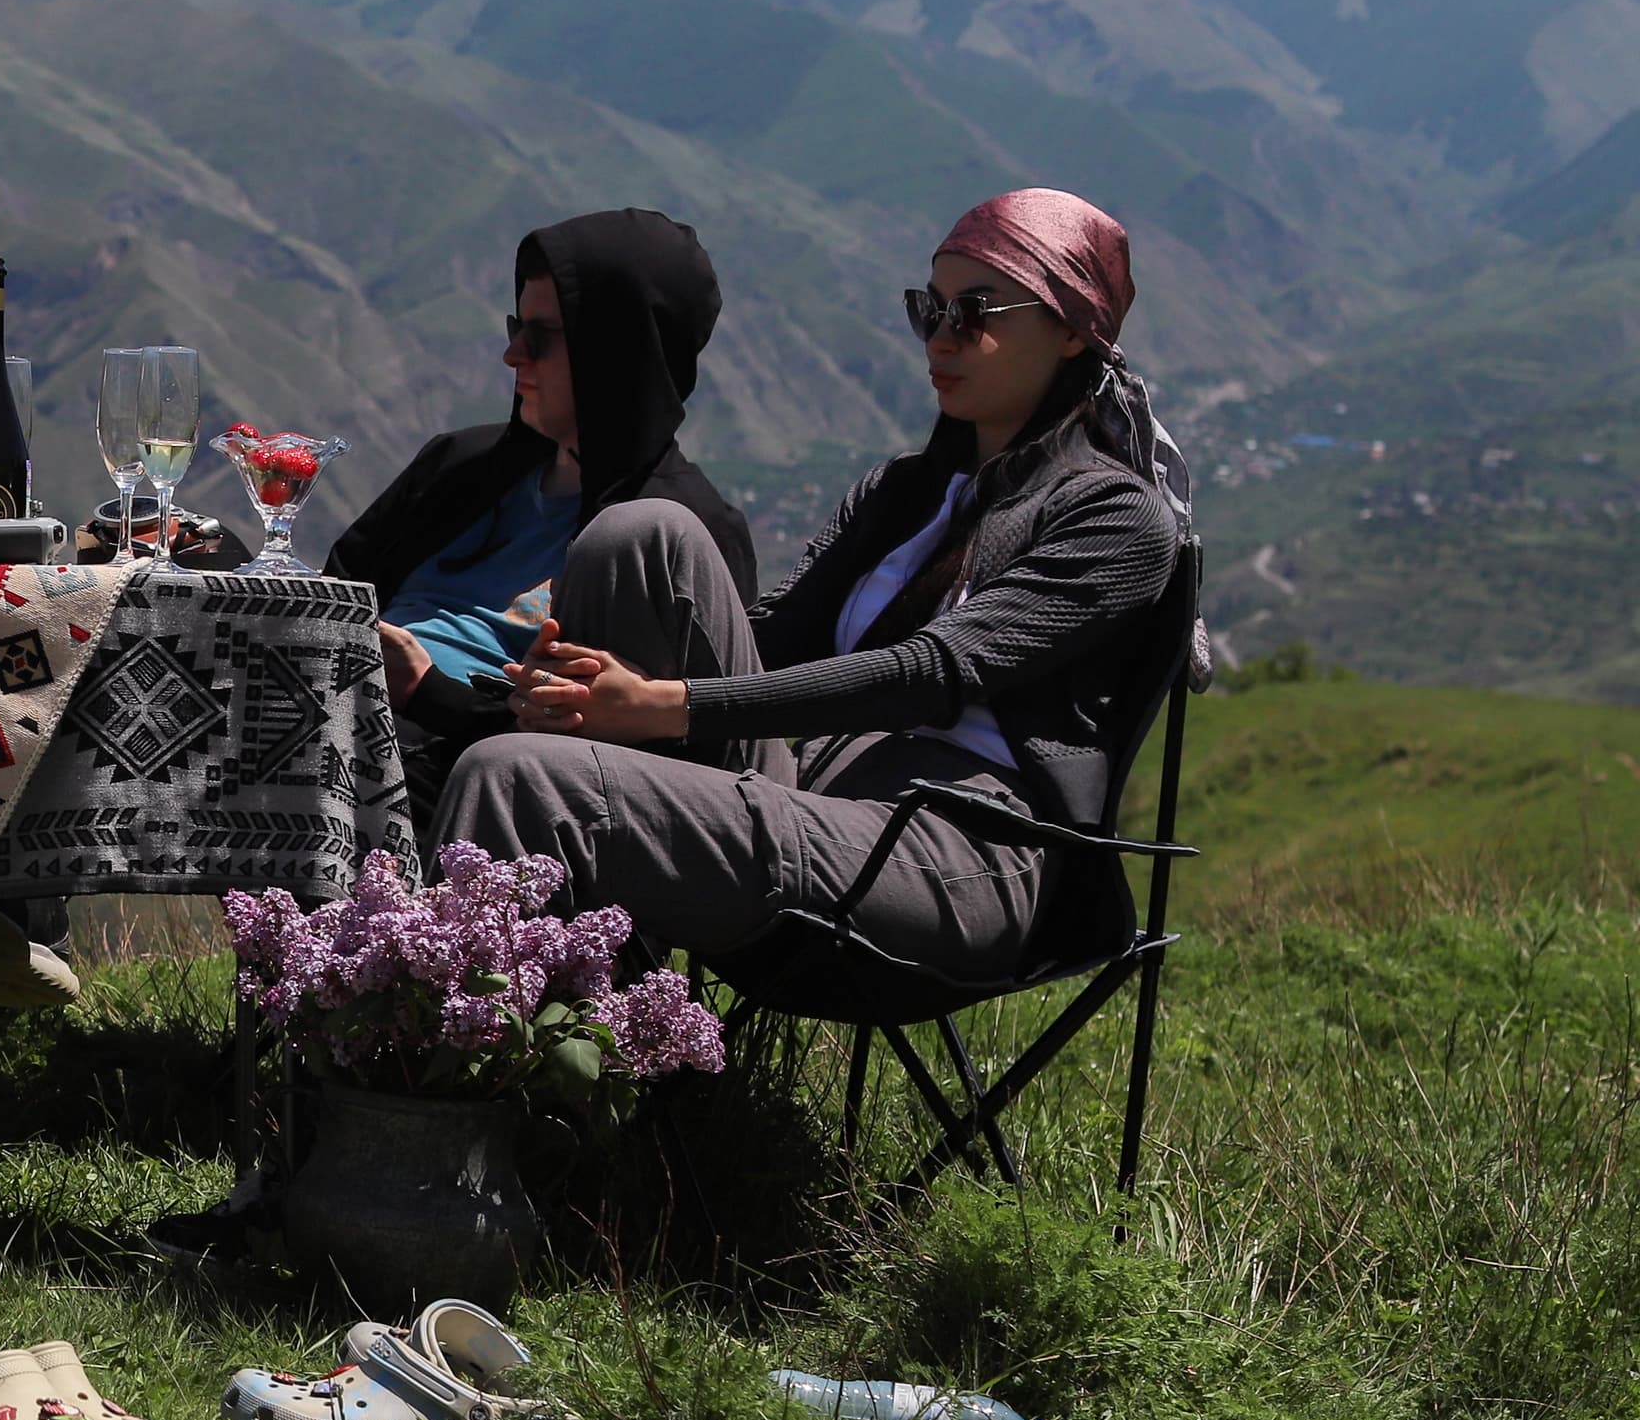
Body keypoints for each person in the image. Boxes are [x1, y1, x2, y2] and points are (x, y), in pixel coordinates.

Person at [441, 188, 1187, 978]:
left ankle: (475, 1079)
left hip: (959, 851)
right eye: (928, 310)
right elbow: (770, 642)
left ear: (1072, 329)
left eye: (976, 312)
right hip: (825, 793)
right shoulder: (901, 493)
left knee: (512, 772)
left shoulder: (1115, 515)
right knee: (640, 533)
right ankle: (605, 1012)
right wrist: (593, 690)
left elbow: (932, 674)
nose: (943, 337)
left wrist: (668, 706)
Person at [325, 208, 764, 828]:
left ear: (615, 354)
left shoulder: (668, 540)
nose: (512, 355)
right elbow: (335, 591)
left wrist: (426, 690)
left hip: (454, 777)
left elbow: (617, 756)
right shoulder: (461, 467)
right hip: (341, 716)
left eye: (542, 337)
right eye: (515, 326)